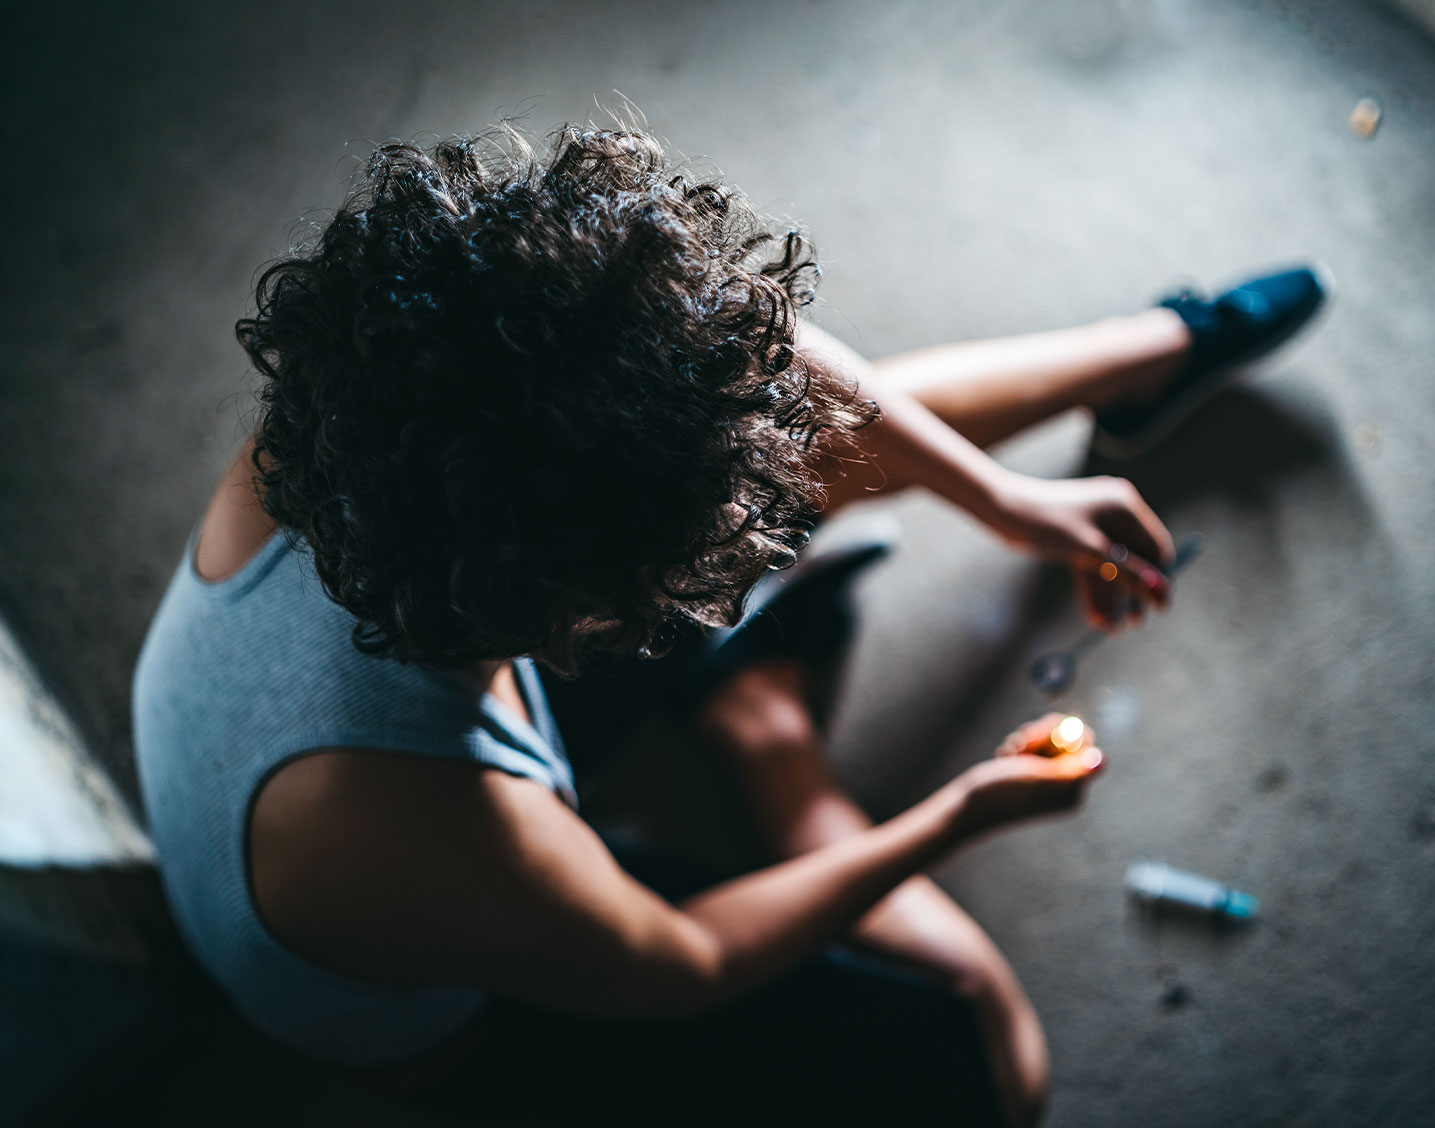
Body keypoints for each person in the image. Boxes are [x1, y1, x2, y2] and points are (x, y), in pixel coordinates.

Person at [132, 123, 1326, 1127]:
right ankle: (770, 747)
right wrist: (964, 811)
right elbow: (682, 962)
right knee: (995, 1057)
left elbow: (765, 369)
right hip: (474, 1014)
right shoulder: (414, 830)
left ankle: (1148, 355)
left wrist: (1008, 501)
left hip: (432, 697)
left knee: (745, 433)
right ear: (579, 614)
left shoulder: (341, 423)